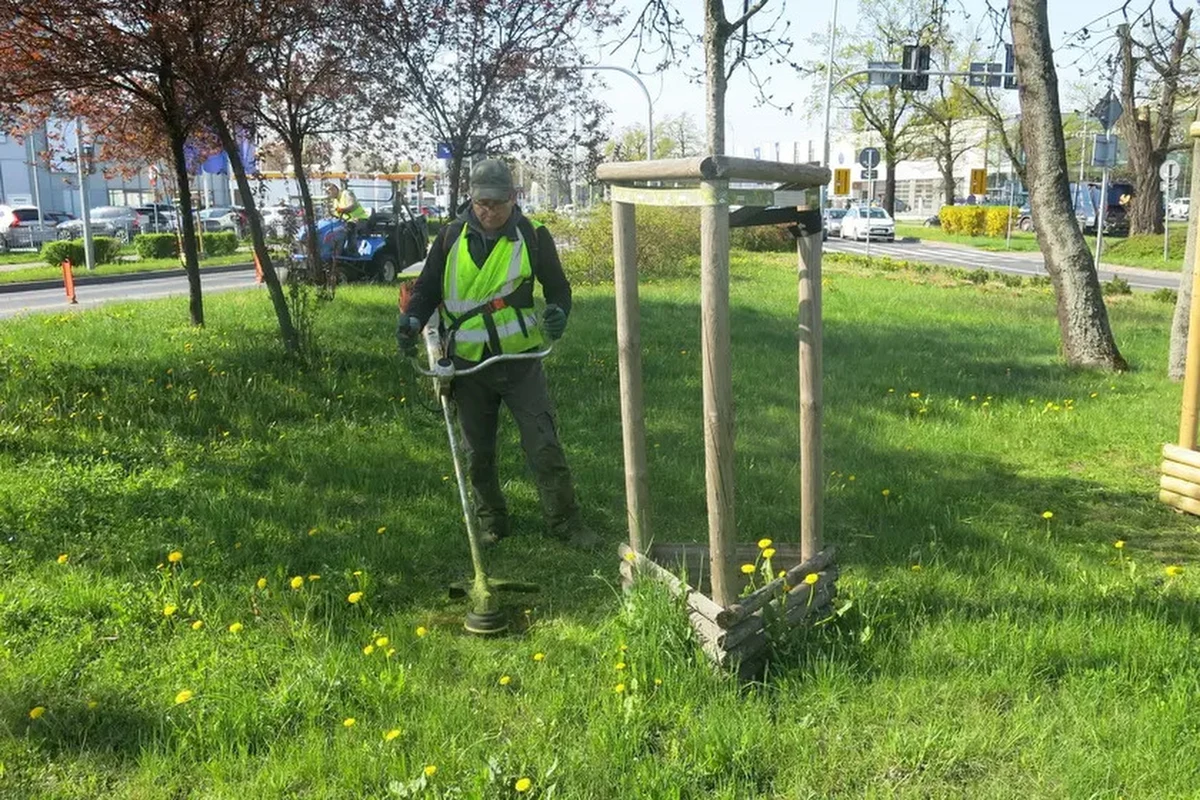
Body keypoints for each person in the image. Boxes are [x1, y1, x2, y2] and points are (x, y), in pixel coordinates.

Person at [396, 159, 593, 548]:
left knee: (544, 444)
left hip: (520, 363)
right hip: (468, 365)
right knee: (477, 452)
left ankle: (565, 523)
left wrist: (558, 314)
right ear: (472, 198)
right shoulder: (451, 237)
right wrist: (412, 319)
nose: (488, 211)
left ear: (513, 198)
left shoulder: (534, 237)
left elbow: (559, 290)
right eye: (481, 203)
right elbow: (427, 288)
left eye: (496, 204)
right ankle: (492, 522)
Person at [325, 182, 369, 255]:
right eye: (327, 192)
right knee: (333, 229)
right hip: (346, 221)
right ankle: (334, 250)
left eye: (330, 190)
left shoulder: (346, 194)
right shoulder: (335, 201)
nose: (329, 193)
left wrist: (343, 210)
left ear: (335, 189)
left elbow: (352, 206)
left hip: (360, 219)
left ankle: (352, 251)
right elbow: (336, 214)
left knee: (350, 227)